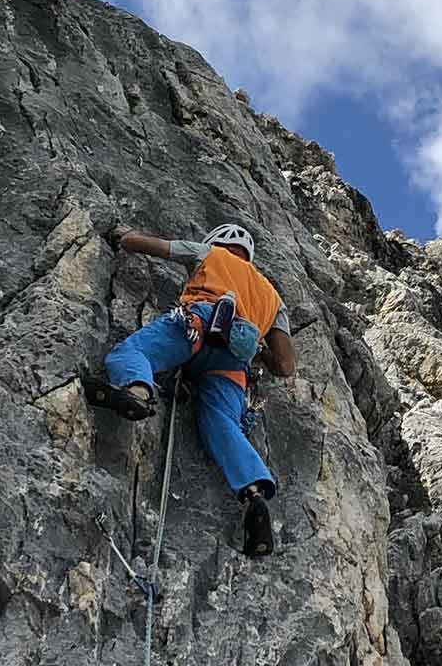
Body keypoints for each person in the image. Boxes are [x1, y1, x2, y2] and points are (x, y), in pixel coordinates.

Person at [90, 222, 297, 557]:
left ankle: (137, 391)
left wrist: (123, 236)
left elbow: (157, 246)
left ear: (217, 241)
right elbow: (286, 366)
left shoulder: (210, 253)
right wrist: (258, 349)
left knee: (131, 354)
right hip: (235, 361)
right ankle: (254, 492)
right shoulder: (272, 297)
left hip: (199, 325)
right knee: (223, 424)